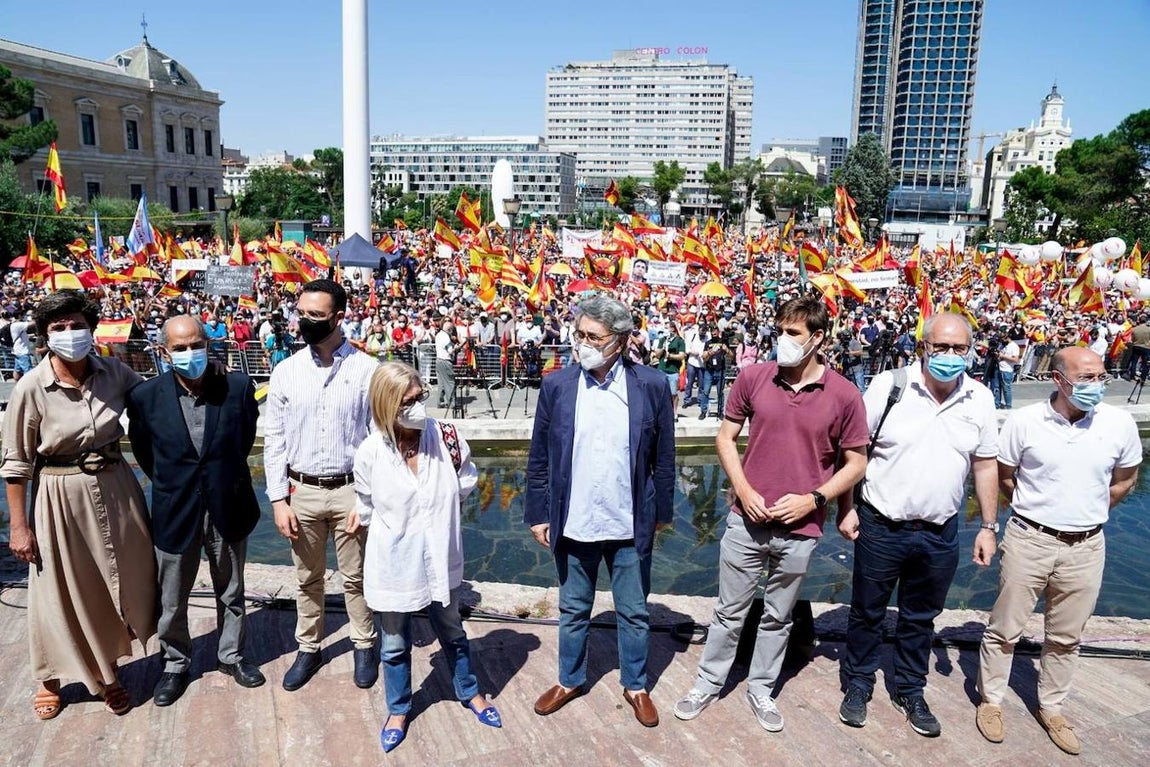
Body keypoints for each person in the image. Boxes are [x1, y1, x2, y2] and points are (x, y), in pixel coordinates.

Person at [674, 296, 868, 733]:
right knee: (728, 611)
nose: (782, 340)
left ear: (817, 338)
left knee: (779, 617)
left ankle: (761, 688)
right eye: (779, 330)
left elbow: (856, 462)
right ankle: (708, 682)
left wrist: (815, 500)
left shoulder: (844, 394)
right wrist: (742, 489)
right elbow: (725, 438)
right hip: (746, 521)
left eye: (793, 333)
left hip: (801, 529)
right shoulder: (754, 377)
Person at [836, 314, 999, 737]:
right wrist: (845, 508)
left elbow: (984, 465)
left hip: (939, 530)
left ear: (970, 350)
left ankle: (909, 688)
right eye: (940, 347)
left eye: (959, 349)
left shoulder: (979, 397)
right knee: (867, 611)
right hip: (881, 523)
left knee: (920, 617)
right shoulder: (890, 386)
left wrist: (988, 525)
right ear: (922, 346)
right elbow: (854, 451)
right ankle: (858, 683)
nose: (949, 356)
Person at [975, 347, 1141, 756]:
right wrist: (1039, 509)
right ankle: (991, 700)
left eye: (1101, 377)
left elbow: (1126, 479)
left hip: (1086, 544)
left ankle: (1052, 707)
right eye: (1085, 378)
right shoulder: (1025, 421)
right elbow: (1004, 474)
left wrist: (1088, 511)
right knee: (1004, 628)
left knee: (1067, 636)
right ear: (1059, 379)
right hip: (1030, 538)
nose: (1095, 386)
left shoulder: (1118, 423)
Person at [2, 290, 156, 719]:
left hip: (116, 485)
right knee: (57, 590)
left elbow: (152, 401)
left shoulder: (114, 372)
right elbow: (16, 464)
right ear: (45, 335)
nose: (70, 334)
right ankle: (49, 677)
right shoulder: (31, 387)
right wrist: (19, 526)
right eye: (59, 328)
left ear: (91, 328)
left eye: (77, 325)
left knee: (116, 580)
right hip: (58, 495)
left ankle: (107, 673)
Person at [526, 294, 675, 727]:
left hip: (628, 521)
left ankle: (636, 684)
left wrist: (661, 511)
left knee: (634, 610)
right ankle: (569, 679)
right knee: (573, 608)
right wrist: (539, 514)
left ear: (621, 342)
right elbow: (539, 458)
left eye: (594, 336)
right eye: (579, 334)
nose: (583, 343)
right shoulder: (558, 385)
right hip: (574, 522)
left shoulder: (650, 385)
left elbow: (663, 457)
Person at [350, 362, 499, 752]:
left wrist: (435, 515)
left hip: (440, 557)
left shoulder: (446, 438)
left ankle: (470, 692)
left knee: (452, 631)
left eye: (420, 398)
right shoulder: (369, 453)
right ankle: (398, 709)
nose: (418, 407)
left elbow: (466, 481)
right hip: (394, 564)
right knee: (395, 643)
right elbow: (365, 504)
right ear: (385, 405)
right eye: (407, 402)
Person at [126, 315, 264, 706]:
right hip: (176, 508)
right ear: (164, 351)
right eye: (180, 348)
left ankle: (231, 656)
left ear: (208, 342)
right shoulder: (145, 397)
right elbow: (145, 453)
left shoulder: (237, 388)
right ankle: (175, 664)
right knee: (172, 597)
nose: (190, 354)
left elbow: (244, 440)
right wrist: (177, 484)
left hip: (228, 503)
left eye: (195, 344)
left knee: (232, 591)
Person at [263, 279, 380, 692]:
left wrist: (366, 500)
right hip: (302, 491)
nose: (305, 321)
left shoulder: (367, 370)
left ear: (339, 317)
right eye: (302, 313)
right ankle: (308, 647)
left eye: (316, 315)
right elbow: (274, 440)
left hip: (351, 488)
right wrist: (278, 499)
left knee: (357, 576)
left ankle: (364, 642)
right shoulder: (286, 372)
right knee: (306, 577)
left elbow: (378, 441)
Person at [651, 322, 686, 413]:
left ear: (673, 328)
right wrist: (663, 347)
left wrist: (670, 356)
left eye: (667, 328)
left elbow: (682, 356)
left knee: (673, 393)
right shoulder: (663, 340)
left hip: (673, 370)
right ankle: (662, 412)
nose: (666, 330)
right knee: (661, 392)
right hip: (662, 369)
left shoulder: (679, 340)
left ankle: (674, 412)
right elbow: (658, 355)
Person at [697, 323, 729, 420]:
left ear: (718, 332)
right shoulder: (708, 343)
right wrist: (709, 354)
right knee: (706, 391)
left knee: (720, 392)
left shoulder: (723, 342)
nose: (714, 332)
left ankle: (720, 411)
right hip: (709, 370)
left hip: (720, 370)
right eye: (712, 330)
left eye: (715, 330)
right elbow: (704, 358)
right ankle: (703, 411)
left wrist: (726, 350)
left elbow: (732, 356)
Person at [994, 333, 1020, 409]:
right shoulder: (1002, 345)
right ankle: (996, 404)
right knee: (997, 388)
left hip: (1007, 370)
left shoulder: (1014, 346)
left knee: (1006, 389)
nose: (1002, 341)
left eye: (1003, 339)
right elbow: (999, 352)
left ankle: (1008, 405)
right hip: (998, 368)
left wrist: (1003, 356)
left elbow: (1015, 359)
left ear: (1008, 337)